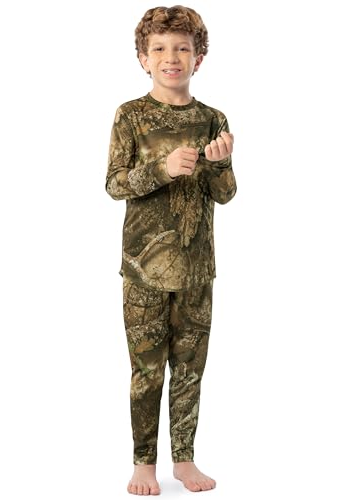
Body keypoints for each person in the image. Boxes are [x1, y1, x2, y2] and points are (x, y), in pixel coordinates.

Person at [106, 5, 237, 495]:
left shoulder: (212, 119)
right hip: (143, 270)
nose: (171, 57)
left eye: (183, 48)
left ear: (198, 58)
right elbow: (114, 184)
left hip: (198, 270)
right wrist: (161, 169)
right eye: (159, 48)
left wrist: (220, 164)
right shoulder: (131, 116)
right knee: (146, 371)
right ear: (144, 58)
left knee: (189, 371)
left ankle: (184, 459)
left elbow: (226, 194)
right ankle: (143, 463)